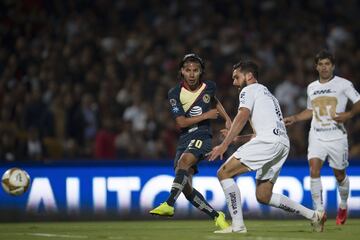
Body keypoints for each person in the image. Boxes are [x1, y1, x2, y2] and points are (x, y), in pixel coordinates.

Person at [208, 60, 326, 233]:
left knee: (224, 173)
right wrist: (238, 139)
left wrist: (224, 145)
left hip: (268, 143)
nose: (234, 82)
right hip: (281, 143)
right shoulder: (268, 94)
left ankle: (238, 225)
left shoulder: (248, 90)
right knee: (263, 195)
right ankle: (314, 215)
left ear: (248, 76)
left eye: (236, 77)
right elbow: (258, 133)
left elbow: (242, 116)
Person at [149, 53, 232, 230]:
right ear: (182, 71)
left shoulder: (209, 86)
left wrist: (227, 118)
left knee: (184, 162)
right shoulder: (174, 93)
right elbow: (181, 122)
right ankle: (217, 216)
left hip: (203, 136)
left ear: (201, 71)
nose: (192, 74)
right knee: (186, 189)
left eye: (196, 70)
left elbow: (213, 100)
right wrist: (207, 115)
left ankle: (169, 204)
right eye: (188, 70)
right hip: (185, 139)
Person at [284, 50, 360, 225]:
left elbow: (358, 102)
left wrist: (347, 115)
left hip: (337, 137)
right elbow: (311, 110)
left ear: (332, 66)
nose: (324, 67)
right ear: (316, 67)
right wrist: (295, 117)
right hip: (317, 135)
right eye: (321, 64)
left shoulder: (344, 84)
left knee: (340, 175)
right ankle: (319, 212)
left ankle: (342, 205)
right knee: (314, 170)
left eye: (327, 64)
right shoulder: (311, 87)